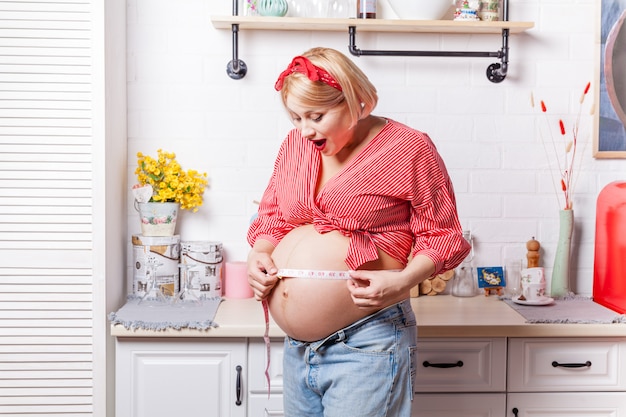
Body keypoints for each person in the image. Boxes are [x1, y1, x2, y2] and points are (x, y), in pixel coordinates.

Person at [246, 47, 471, 417]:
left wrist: (404, 281)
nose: (304, 130)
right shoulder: (295, 145)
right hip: (298, 349)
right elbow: (273, 217)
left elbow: (441, 234)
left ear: (357, 102)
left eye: (316, 116)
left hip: (367, 341)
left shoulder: (409, 148)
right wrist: (260, 254)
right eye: (296, 117)